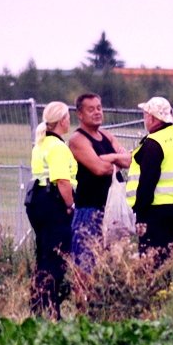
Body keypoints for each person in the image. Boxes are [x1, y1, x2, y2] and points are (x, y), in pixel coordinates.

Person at [67, 93, 131, 270]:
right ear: (80, 114)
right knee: (86, 263)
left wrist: (110, 157)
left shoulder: (106, 136)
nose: (97, 112)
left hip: (113, 210)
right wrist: (116, 163)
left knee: (113, 264)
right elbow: (99, 169)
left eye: (99, 108)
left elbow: (128, 161)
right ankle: (83, 298)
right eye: (91, 109)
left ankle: (104, 298)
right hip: (89, 210)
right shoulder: (77, 140)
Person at [24, 101, 76, 317]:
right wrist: (70, 205)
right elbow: (62, 181)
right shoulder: (59, 147)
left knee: (44, 254)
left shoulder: (41, 144)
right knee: (56, 256)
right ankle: (51, 309)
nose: (69, 121)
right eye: (68, 117)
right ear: (62, 120)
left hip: (37, 201)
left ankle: (38, 305)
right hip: (53, 202)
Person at [126, 96, 173, 259]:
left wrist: (139, 212)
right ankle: (167, 284)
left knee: (151, 258)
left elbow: (147, 181)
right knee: (166, 254)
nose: (144, 119)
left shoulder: (153, 142)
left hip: (156, 209)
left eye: (145, 115)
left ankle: (157, 285)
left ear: (152, 118)